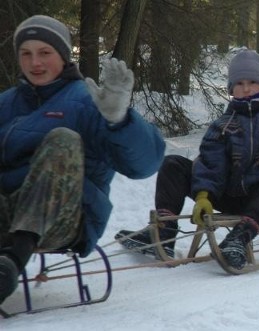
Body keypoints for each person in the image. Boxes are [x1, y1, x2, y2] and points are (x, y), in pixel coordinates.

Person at [116, 50, 259, 269]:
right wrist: (205, 194)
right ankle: (164, 232)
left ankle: (239, 239)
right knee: (173, 163)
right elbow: (210, 163)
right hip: (229, 194)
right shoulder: (224, 124)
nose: (245, 89)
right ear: (231, 88)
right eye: (239, 83)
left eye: (252, 82)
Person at [0, 15, 165, 303]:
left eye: (45, 53)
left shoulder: (88, 102)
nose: (35, 63)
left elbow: (144, 165)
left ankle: (13, 260)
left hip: (66, 217)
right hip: (7, 213)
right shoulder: (6, 104)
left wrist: (119, 120)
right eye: (26, 54)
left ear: (63, 56)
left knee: (62, 140)